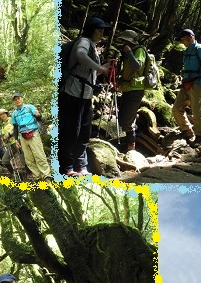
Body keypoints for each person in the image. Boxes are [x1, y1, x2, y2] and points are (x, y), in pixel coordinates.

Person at [58, 17, 112, 176]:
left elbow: (89, 67)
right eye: (99, 30)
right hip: (73, 94)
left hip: (85, 96)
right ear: (91, 30)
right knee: (71, 131)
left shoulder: (93, 46)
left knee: (84, 132)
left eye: (103, 30)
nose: (102, 33)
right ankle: (67, 167)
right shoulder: (84, 42)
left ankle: (81, 165)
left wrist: (103, 67)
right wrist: (100, 68)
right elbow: (80, 55)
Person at [172, 29, 201, 147]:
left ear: (191, 37)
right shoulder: (186, 51)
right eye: (182, 40)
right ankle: (187, 130)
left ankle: (199, 137)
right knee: (176, 108)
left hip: (198, 83)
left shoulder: (199, 49)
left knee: (196, 110)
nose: (183, 42)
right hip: (186, 83)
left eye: (184, 39)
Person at [10, 93, 52, 182]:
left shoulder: (30, 107)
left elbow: (39, 118)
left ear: (22, 99)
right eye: (15, 99)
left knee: (39, 154)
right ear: (13, 102)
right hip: (22, 136)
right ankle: (38, 176)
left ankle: (46, 175)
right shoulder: (14, 114)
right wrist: (16, 140)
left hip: (33, 133)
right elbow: (15, 127)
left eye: (18, 98)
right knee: (28, 158)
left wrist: (38, 115)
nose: (17, 100)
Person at [116, 30, 146, 151]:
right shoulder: (129, 53)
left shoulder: (139, 51)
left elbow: (137, 66)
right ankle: (132, 139)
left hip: (136, 89)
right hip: (127, 88)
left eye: (124, 41)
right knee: (123, 117)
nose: (123, 43)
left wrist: (128, 52)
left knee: (128, 120)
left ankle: (131, 147)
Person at [0, 108, 27, 174]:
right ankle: (13, 174)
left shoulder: (12, 119)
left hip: (18, 141)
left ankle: (29, 173)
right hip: (11, 144)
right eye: (1, 115)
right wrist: (3, 139)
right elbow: (3, 135)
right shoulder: (2, 125)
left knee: (23, 158)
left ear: (6, 114)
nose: (3, 115)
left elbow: (18, 128)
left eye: (4, 113)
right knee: (4, 160)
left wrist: (9, 134)